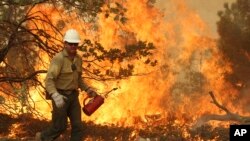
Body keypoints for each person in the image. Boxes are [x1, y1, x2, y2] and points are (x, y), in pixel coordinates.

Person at [36, 29, 97, 141]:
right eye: (70, 44)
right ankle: (41, 137)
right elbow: (49, 80)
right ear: (65, 44)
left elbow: (78, 79)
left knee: (78, 126)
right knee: (60, 126)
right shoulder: (58, 59)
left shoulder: (78, 59)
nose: (73, 46)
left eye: (75, 44)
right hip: (60, 96)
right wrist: (55, 95)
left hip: (73, 97)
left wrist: (87, 89)